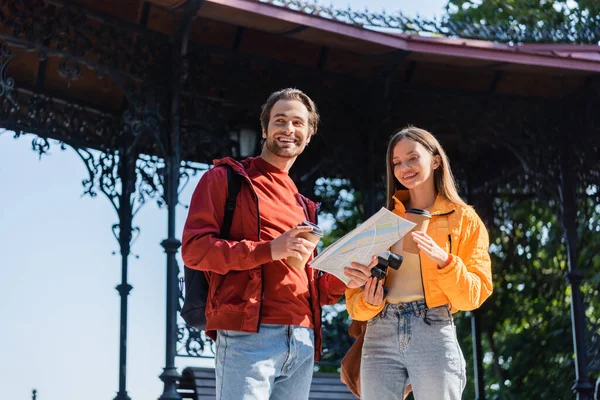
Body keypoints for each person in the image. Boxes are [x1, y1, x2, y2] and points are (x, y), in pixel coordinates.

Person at [181, 88, 373, 400]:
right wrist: (270, 249)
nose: (288, 129)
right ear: (265, 128)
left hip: (303, 338)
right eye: (280, 120)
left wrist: (347, 275)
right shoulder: (224, 179)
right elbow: (194, 250)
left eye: (298, 123)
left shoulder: (304, 205)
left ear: (309, 134)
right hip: (248, 336)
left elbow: (315, 289)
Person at [345, 126, 493, 400]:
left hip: (433, 327)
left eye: (413, 158)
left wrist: (446, 261)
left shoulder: (464, 219)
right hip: (380, 331)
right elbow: (354, 302)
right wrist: (368, 300)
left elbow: (475, 294)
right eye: (397, 162)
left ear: (436, 160)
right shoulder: (383, 222)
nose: (405, 167)